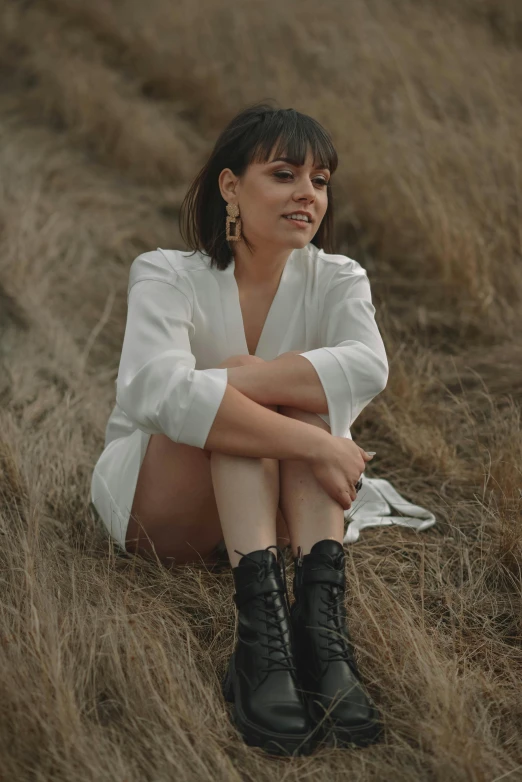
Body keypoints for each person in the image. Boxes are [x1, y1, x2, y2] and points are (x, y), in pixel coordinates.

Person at [90, 102, 389, 757]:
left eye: (320, 181)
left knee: (266, 398)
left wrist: (239, 378)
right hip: (162, 504)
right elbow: (151, 392)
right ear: (231, 186)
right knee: (265, 416)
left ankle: (318, 638)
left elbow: (369, 366)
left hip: (274, 504)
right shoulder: (166, 272)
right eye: (284, 175)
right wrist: (314, 442)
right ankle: (260, 641)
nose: (307, 194)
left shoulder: (339, 278)